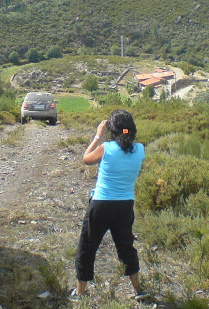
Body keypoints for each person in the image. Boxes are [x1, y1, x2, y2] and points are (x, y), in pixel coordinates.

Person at [71, 109, 147, 302]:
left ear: (112, 129)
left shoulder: (106, 147)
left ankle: (80, 293)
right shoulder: (140, 149)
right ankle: (138, 289)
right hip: (125, 206)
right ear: (131, 129)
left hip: (102, 204)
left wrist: (98, 135)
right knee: (126, 247)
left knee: (87, 247)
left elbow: (86, 159)